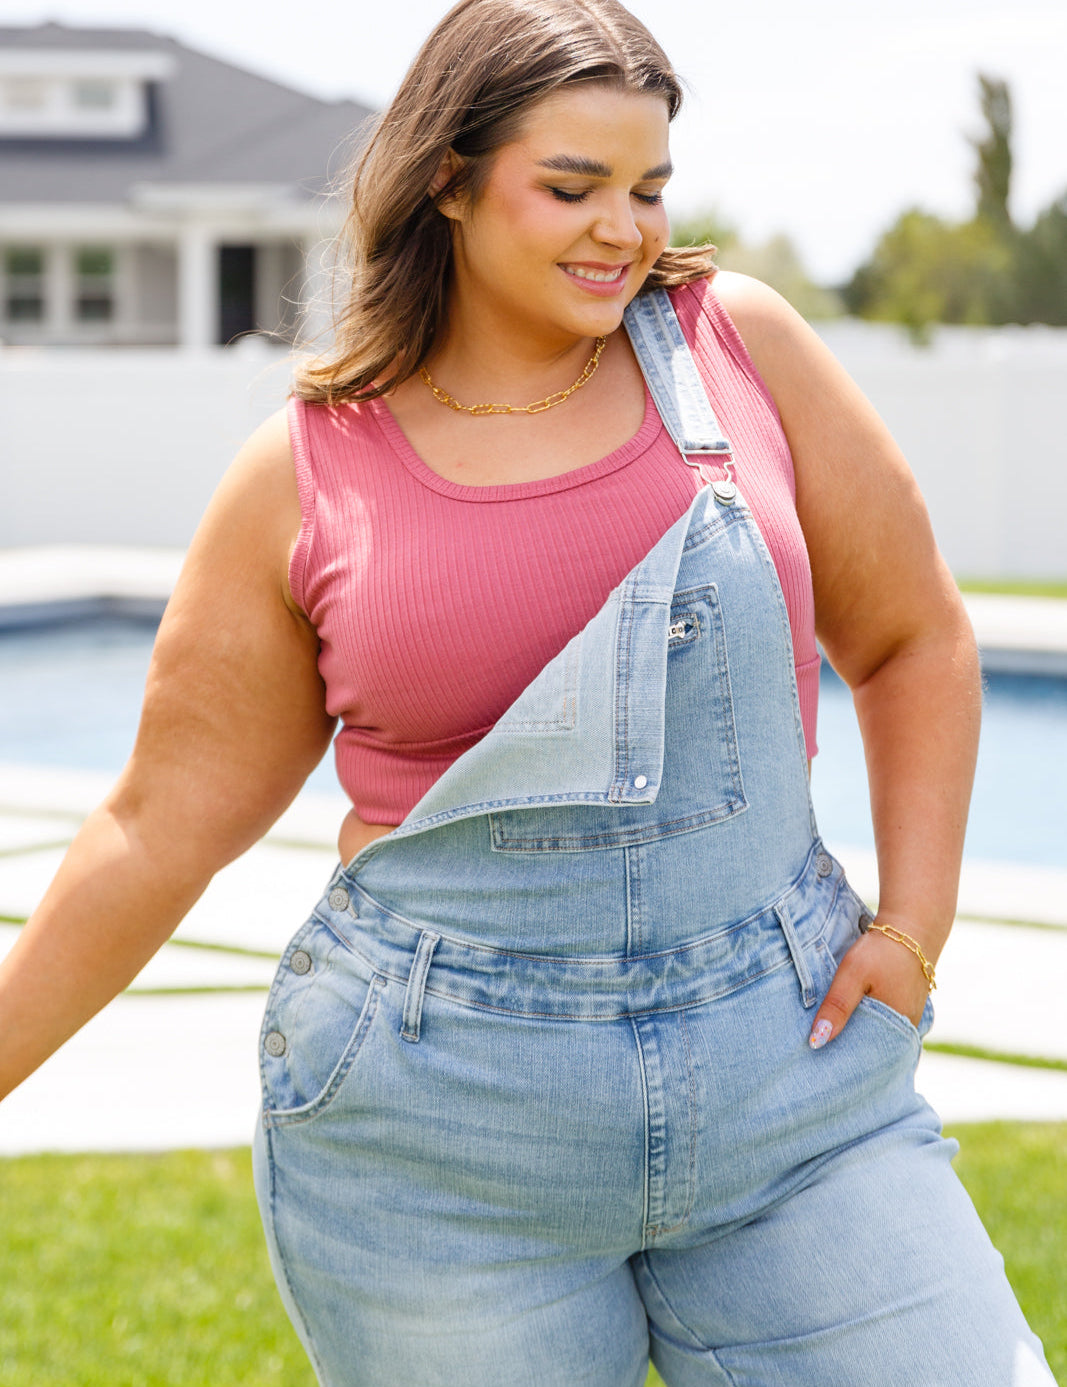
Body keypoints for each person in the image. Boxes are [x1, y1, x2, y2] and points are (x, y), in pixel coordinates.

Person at [0, 1, 1057, 1383]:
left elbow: (915, 636)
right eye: (572, 187)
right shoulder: (308, 472)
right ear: (448, 179)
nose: (621, 227)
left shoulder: (737, 349)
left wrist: (915, 932)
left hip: (790, 1094)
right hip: (438, 1144)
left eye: (648, 187)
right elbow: (157, 824)